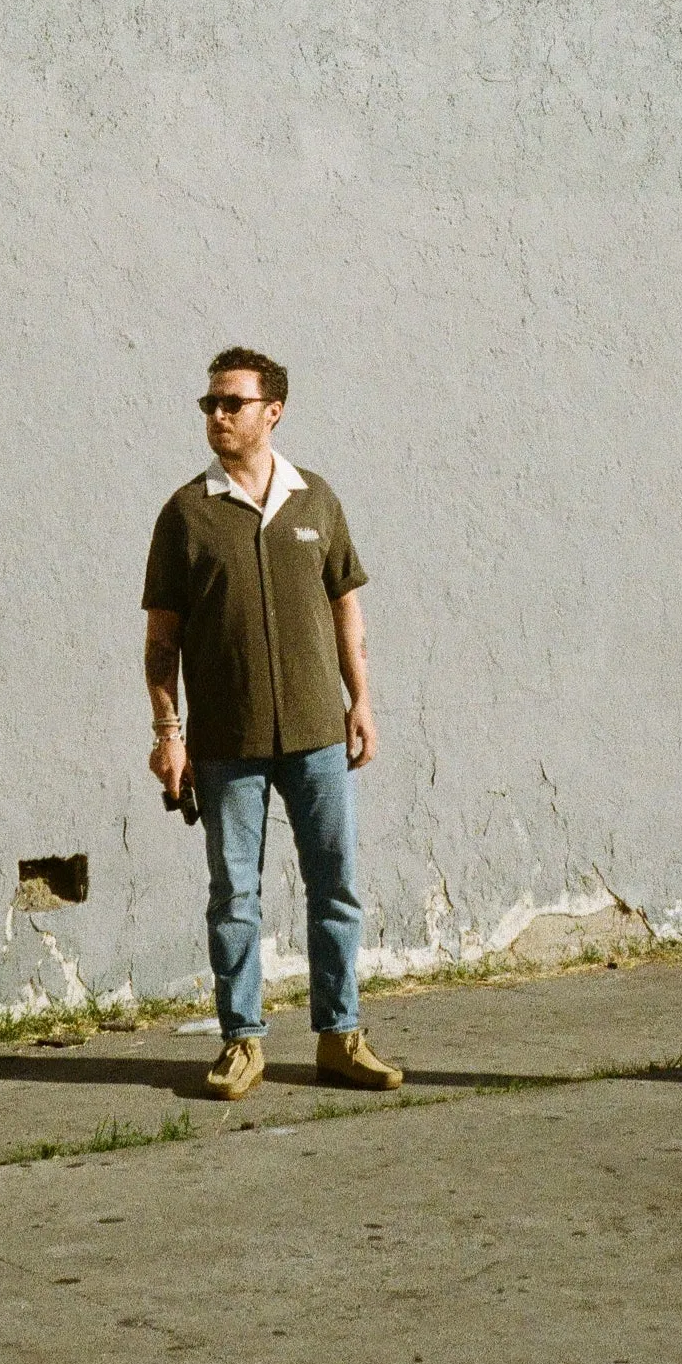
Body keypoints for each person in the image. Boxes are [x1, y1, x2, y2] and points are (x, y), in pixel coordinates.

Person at [142, 347, 402, 1102]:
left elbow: (344, 606)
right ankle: (242, 1043)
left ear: (272, 412)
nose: (215, 416)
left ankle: (340, 1036)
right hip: (226, 744)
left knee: (336, 888)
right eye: (209, 404)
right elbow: (161, 640)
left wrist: (361, 701)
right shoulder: (186, 513)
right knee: (234, 898)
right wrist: (168, 735)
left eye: (231, 403)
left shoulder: (315, 500)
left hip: (319, 734)